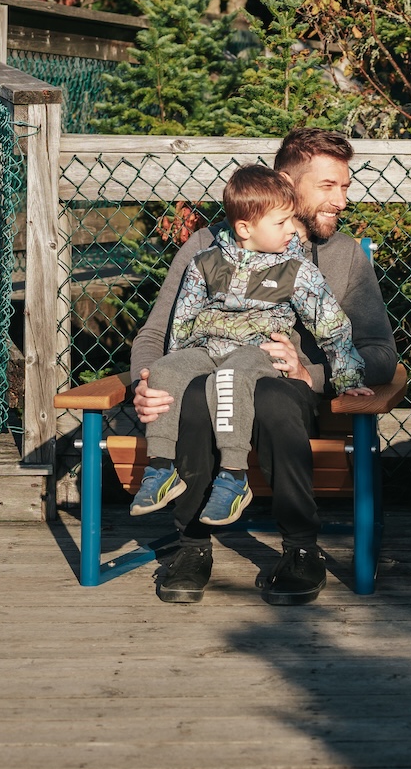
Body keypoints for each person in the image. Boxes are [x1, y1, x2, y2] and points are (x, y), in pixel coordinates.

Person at [126, 128, 399, 607]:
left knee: (271, 399)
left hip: (282, 383)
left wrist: (309, 373)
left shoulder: (345, 256)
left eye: (346, 186)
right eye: (329, 187)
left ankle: (301, 550)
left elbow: (379, 352)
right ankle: (191, 546)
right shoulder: (207, 249)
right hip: (210, 371)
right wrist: (145, 383)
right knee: (191, 391)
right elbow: (156, 334)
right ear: (286, 185)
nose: (343, 199)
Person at [129, 164, 367, 528]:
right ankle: (161, 468)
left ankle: (233, 474)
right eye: (282, 222)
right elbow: (182, 319)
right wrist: (178, 363)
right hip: (207, 347)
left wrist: (347, 377)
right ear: (245, 228)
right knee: (164, 371)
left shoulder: (296, 270)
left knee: (231, 375)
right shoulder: (205, 262)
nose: (292, 230)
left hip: (257, 350)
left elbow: (332, 327)